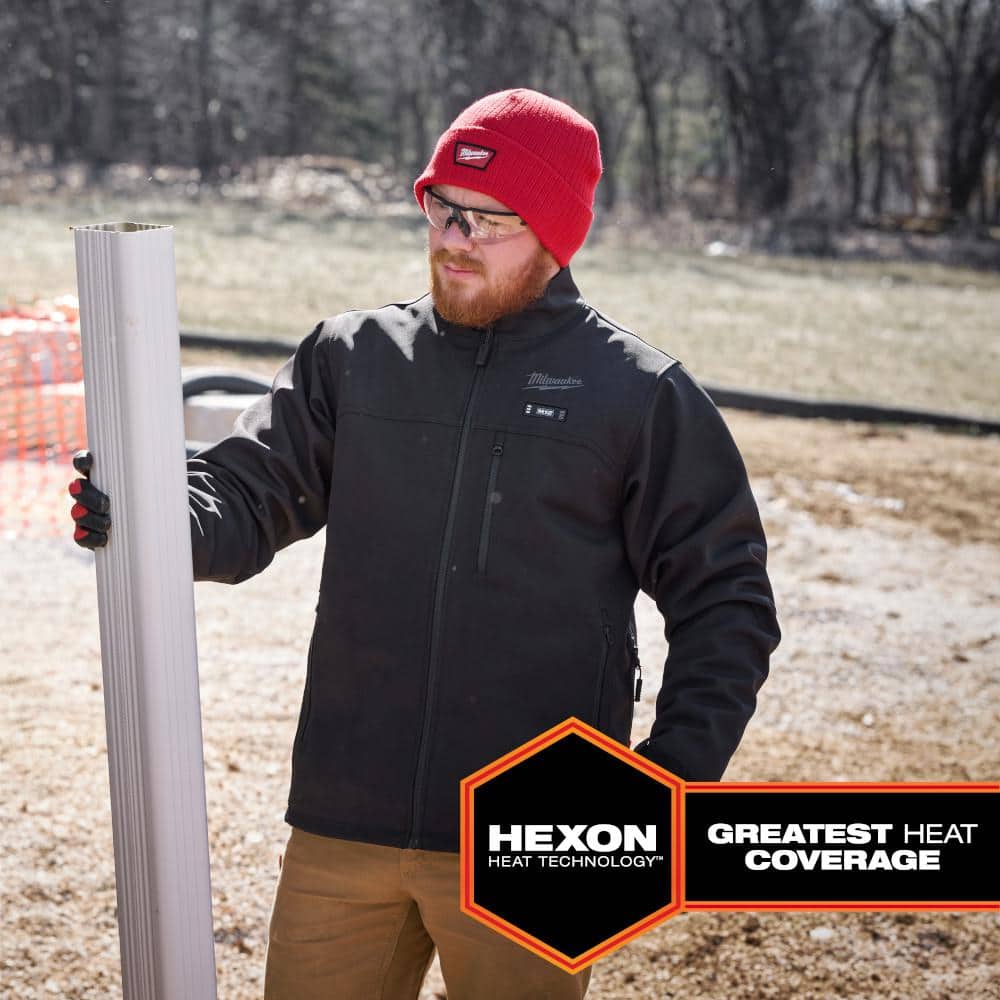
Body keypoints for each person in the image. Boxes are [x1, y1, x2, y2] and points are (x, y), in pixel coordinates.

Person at [70, 88, 780, 999]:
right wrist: (151, 514)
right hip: (346, 815)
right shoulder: (352, 358)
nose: (455, 239)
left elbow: (726, 603)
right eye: (443, 209)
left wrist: (669, 784)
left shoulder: (638, 395)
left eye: (490, 220)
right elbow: (246, 496)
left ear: (556, 233)